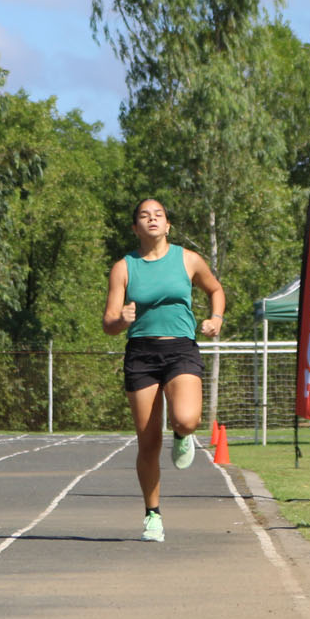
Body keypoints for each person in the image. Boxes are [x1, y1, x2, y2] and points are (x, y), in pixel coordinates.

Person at [103, 198, 224, 543]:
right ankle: (152, 514)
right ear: (135, 228)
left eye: (158, 215)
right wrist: (119, 321)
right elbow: (108, 323)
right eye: (145, 215)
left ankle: (183, 437)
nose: (152, 219)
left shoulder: (188, 259)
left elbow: (215, 289)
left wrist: (215, 319)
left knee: (187, 419)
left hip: (180, 349)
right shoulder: (124, 267)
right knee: (149, 442)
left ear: (168, 225)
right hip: (141, 353)